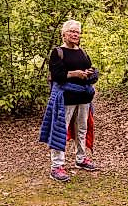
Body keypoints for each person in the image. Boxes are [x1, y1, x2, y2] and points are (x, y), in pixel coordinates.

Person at [39, 19, 98, 183]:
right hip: (65, 98)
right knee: (60, 130)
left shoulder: (83, 52)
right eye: (72, 31)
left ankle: (81, 158)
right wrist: (74, 74)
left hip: (84, 97)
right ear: (64, 34)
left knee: (82, 129)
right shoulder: (58, 52)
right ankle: (57, 166)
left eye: (77, 32)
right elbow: (56, 75)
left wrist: (90, 73)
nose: (75, 34)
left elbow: (89, 68)